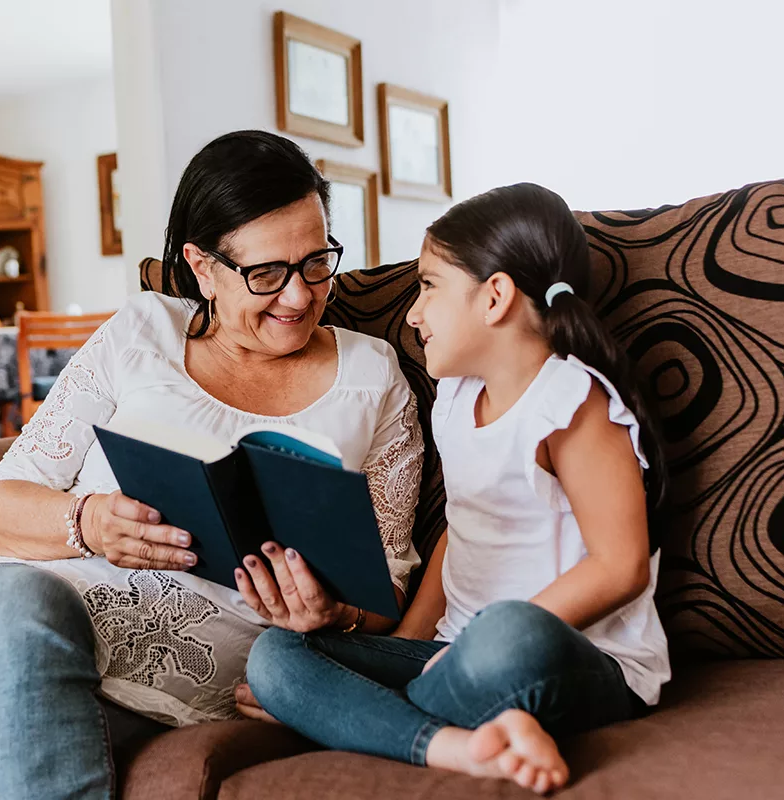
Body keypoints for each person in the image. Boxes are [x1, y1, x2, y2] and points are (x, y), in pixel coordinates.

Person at [0, 130, 424, 800]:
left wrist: (333, 613)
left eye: (317, 263)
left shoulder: (373, 378)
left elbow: (390, 582)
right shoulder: (141, 334)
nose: (298, 296)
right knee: (21, 598)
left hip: (179, 695)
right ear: (202, 267)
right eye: (266, 274)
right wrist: (87, 522)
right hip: (4, 630)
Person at [242, 183, 671, 795]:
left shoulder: (571, 402)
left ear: (494, 296)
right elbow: (461, 528)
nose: (412, 314)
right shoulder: (457, 397)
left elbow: (621, 565)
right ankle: (463, 746)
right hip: (452, 655)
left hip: (566, 656)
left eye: (428, 286)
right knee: (276, 657)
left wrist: (469, 651)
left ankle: (378, 720)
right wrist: (416, 641)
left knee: (507, 633)